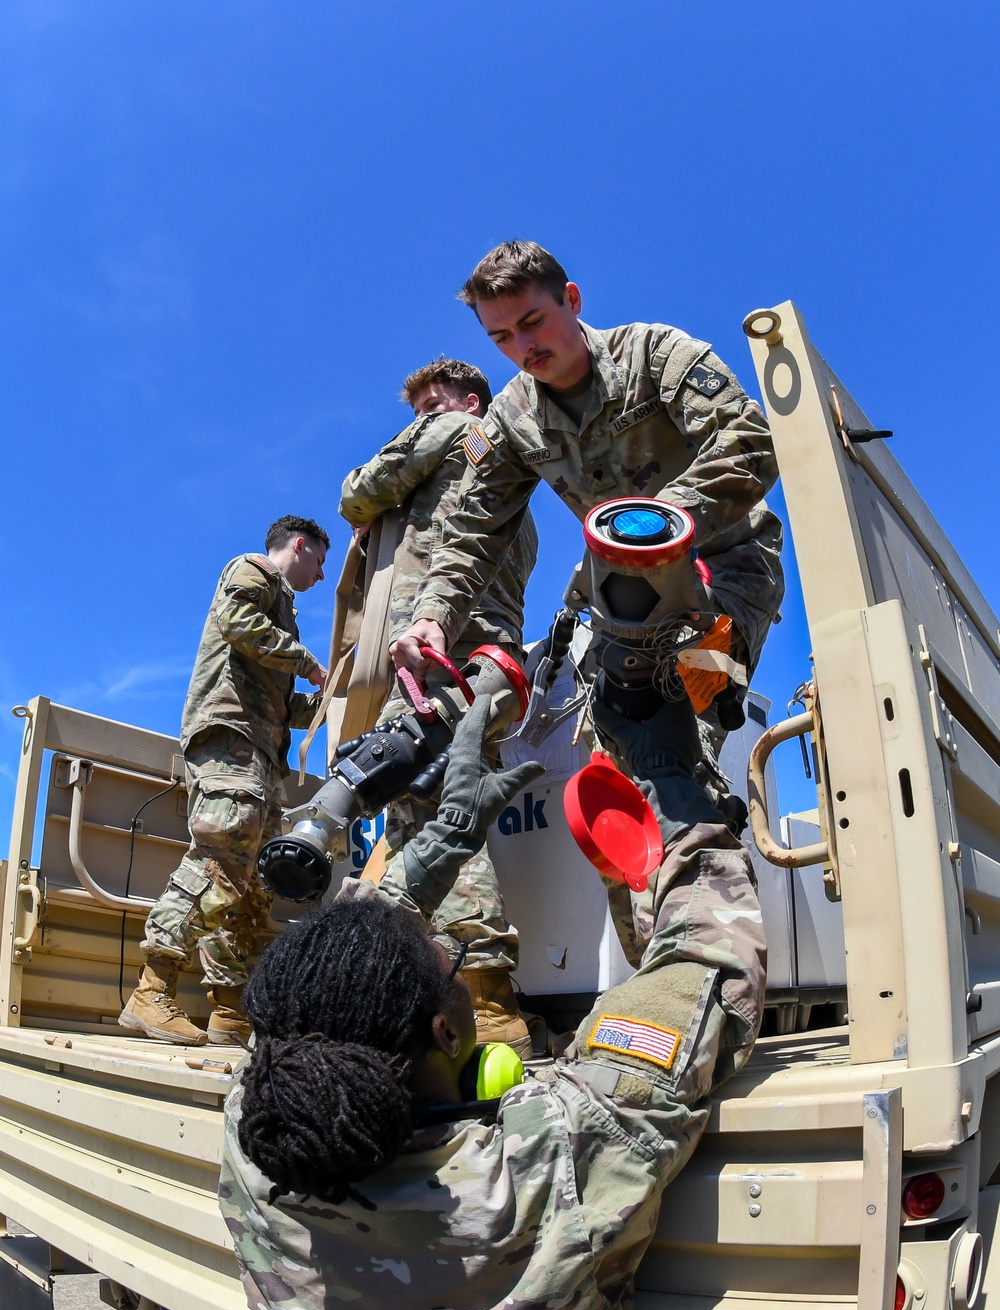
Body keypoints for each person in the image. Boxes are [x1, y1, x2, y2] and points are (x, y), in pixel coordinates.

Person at [219, 690, 766, 1310]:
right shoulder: (555, 1157)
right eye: (449, 957)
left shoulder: (255, 1141)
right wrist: (666, 767)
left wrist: (446, 837)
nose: (449, 947)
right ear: (449, 1032)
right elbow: (706, 957)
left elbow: (312, 989)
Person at [391, 242, 783, 750]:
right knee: (617, 745)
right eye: (502, 337)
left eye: (532, 321)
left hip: (725, 565)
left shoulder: (653, 354)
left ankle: (694, 814)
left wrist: (656, 523)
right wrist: (432, 617)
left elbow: (749, 439)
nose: (522, 346)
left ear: (571, 299)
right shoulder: (511, 418)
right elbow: (474, 530)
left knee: (676, 729)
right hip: (621, 590)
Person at [339, 357, 539, 1056]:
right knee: (445, 804)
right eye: (420, 404)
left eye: (434, 400)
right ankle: (464, 988)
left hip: (437, 653)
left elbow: (357, 493)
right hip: (492, 664)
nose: (423, 412)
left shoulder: (453, 431)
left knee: (430, 806)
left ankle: (486, 995)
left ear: (469, 401)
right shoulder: (515, 492)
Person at [120, 516, 329, 1047]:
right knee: (217, 865)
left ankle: (229, 1011)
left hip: (257, 753)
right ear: (298, 546)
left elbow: (275, 699)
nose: (323, 576)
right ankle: (151, 990)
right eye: (320, 561)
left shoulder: (281, 615)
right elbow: (237, 622)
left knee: (253, 886)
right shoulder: (253, 571)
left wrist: (322, 703)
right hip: (230, 743)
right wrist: (306, 661)